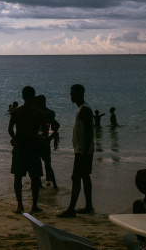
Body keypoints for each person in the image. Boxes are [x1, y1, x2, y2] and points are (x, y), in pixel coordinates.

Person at [8, 86, 48, 213]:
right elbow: (45, 131)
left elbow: (10, 129)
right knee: (35, 178)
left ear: (22, 96)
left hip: (19, 147)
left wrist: (15, 138)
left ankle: (20, 205)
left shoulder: (16, 111)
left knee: (18, 177)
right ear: (33, 97)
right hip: (33, 147)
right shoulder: (39, 113)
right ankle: (34, 205)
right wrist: (38, 135)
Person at [57, 84, 95, 218]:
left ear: (80, 94)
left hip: (83, 150)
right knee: (84, 176)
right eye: (71, 93)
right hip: (83, 150)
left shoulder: (84, 110)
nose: (71, 96)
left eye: (73, 93)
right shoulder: (83, 109)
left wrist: (84, 153)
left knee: (76, 177)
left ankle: (71, 209)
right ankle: (88, 206)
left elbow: (89, 133)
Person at [34, 95, 59, 190]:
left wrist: (51, 138)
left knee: (39, 164)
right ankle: (53, 185)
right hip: (45, 141)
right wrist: (51, 138)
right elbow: (55, 127)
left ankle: (41, 184)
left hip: (39, 141)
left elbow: (55, 126)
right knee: (47, 164)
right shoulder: (50, 113)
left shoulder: (41, 113)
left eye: (37, 102)